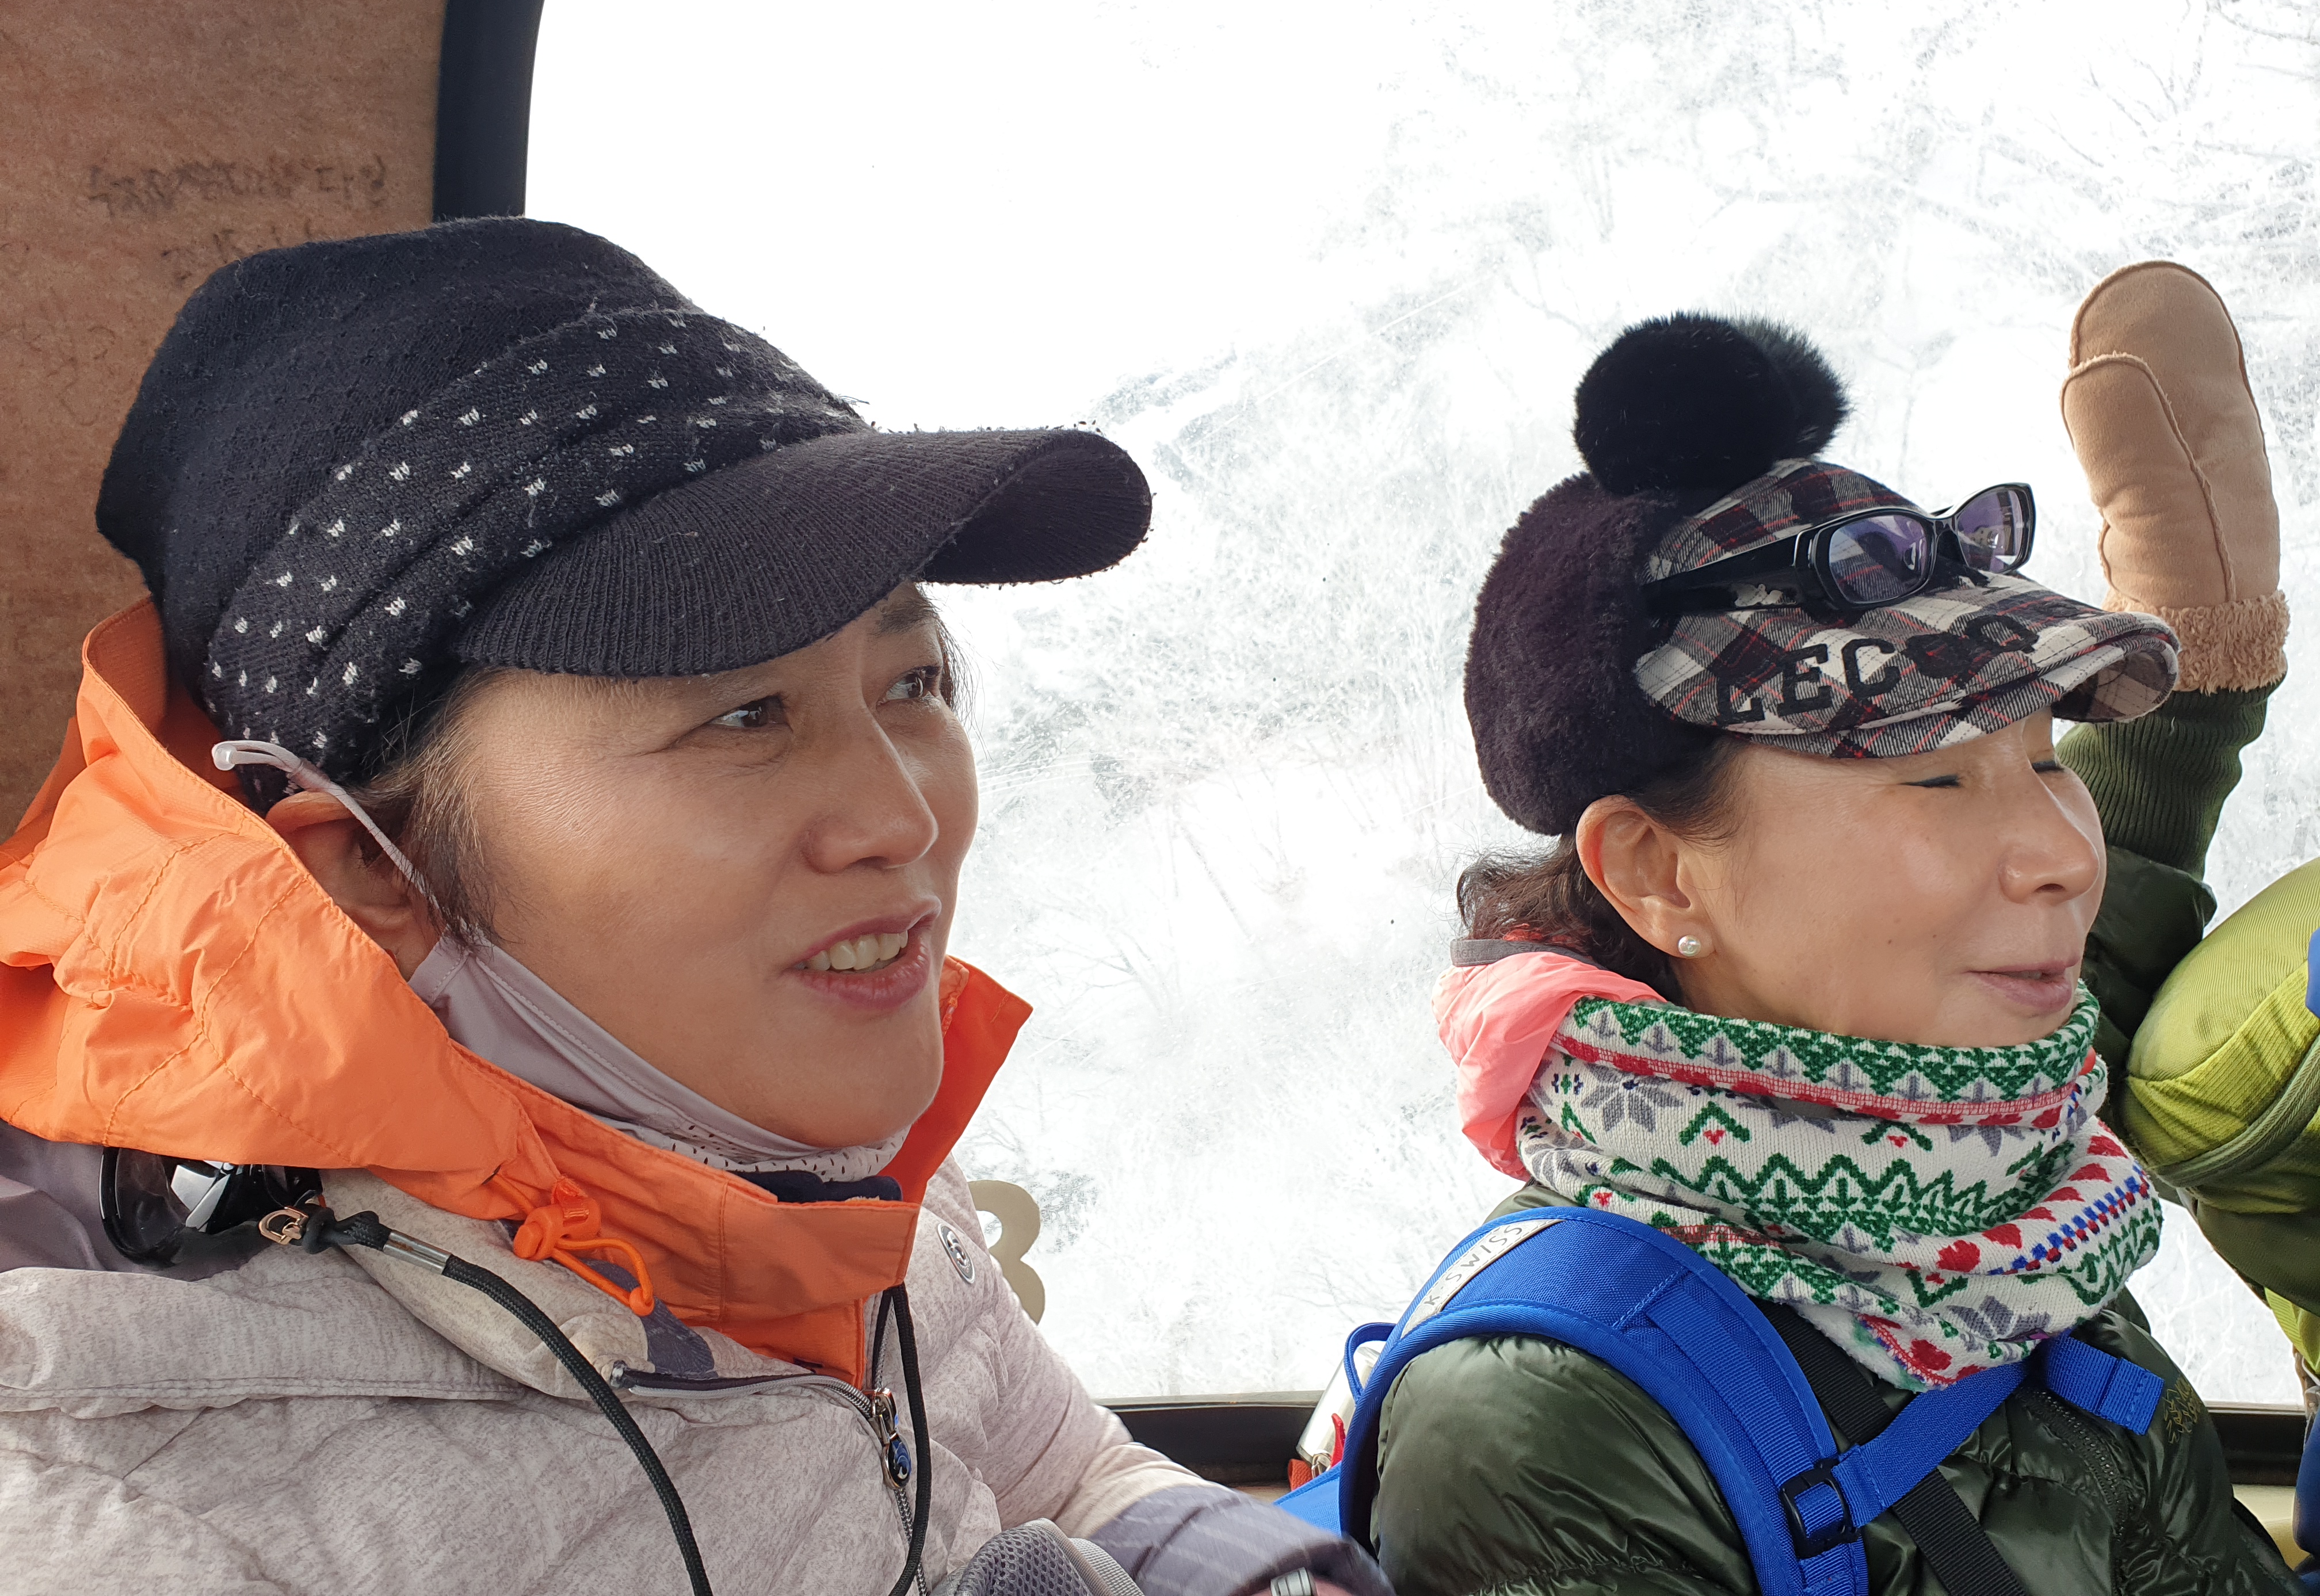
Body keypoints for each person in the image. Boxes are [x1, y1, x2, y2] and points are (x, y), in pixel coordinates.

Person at [0, 220, 1382, 1596]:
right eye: (742, 715)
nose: (902, 817)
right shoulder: (143, 1505)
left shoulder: (812, 1145)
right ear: (372, 870)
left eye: (911, 683)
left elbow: (1065, 1465)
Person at [1367, 310, 2298, 1594]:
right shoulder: (1544, 1435)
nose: (2061, 855)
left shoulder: (1998, 1129)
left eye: (2046, 763)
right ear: (1659, 871)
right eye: (1936, 781)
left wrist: (2197, 704)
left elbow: (2117, 920)